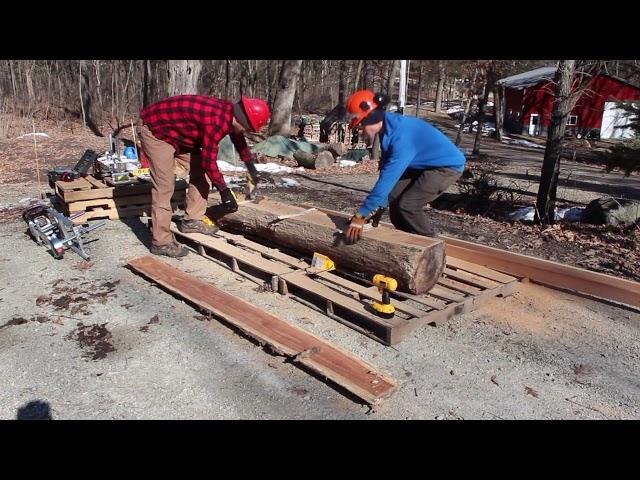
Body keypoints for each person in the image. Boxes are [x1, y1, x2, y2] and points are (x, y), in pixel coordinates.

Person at [137, 94, 270, 257]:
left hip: (177, 135)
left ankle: (192, 220)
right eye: (247, 129)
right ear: (242, 121)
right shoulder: (216, 121)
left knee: (202, 171)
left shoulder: (231, 114)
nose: (246, 132)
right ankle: (161, 242)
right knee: (164, 186)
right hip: (155, 132)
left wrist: (251, 167)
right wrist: (224, 191)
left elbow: (239, 140)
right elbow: (209, 161)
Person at [344, 89, 466, 243]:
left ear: (371, 118)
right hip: (423, 165)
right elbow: (386, 170)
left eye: (360, 125)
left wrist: (361, 214)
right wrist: (380, 205)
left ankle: (431, 245)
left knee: (408, 205)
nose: (360, 130)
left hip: (446, 167)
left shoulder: (401, 138)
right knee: (394, 200)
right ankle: (404, 244)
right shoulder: (387, 127)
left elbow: (389, 178)